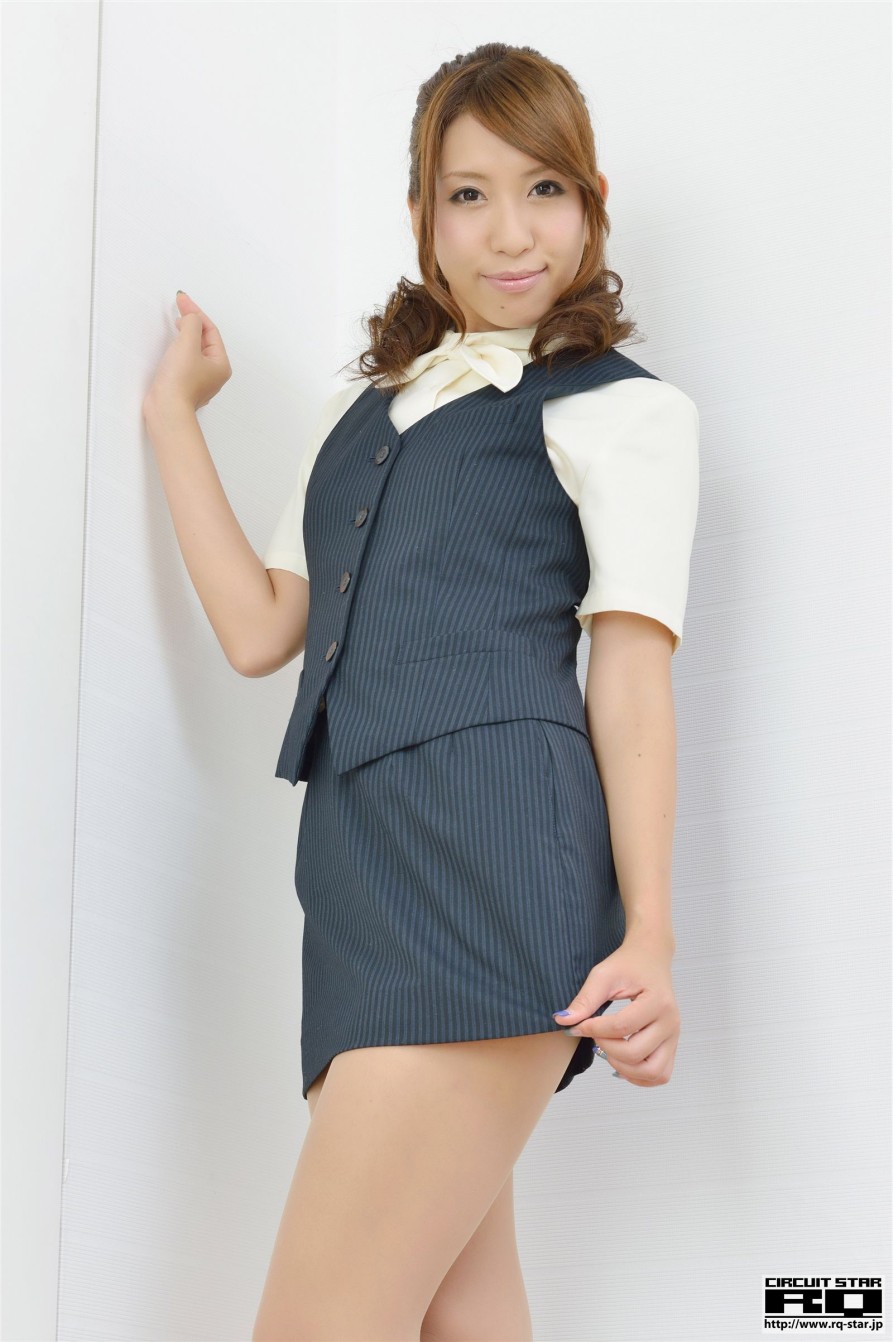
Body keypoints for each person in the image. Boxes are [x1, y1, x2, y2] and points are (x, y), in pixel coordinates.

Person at [143, 40, 699, 1342]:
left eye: (544, 189)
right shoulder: (365, 412)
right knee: (462, 1318)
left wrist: (652, 935)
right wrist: (175, 418)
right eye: (468, 194)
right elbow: (259, 629)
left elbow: (628, 681)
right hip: (354, 885)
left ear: (591, 204)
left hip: (493, 872)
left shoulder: (624, 412)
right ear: (420, 216)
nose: (510, 232)